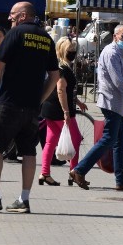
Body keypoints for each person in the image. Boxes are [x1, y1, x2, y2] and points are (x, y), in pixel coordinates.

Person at [0, 2, 59, 214]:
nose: (10, 18)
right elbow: (54, 76)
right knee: (28, 151)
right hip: (32, 106)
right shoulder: (46, 38)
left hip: (9, 102)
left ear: (23, 15)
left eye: (13, 14)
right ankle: (24, 199)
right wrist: (40, 99)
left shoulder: (16, 33)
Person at [69, 25, 123, 192]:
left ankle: (121, 179)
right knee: (108, 139)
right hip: (112, 102)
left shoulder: (117, 52)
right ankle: (79, 170)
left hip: (116, 103)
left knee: (120, 142)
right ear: (115, 36)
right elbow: (119, 81)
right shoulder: (112, 53)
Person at [38, 37, 88, 186]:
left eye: (74, 50)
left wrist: (77, 101)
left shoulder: (60, 67)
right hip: (60, 110)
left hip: (51, 107)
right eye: (70, 51)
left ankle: (45, 173)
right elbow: (60, 90)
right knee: (76, 139)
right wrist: (66, 111)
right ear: (62, 51)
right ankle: (74, 172)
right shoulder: (62, 69)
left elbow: (65, 90)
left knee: (50, 141)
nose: (73, 53)